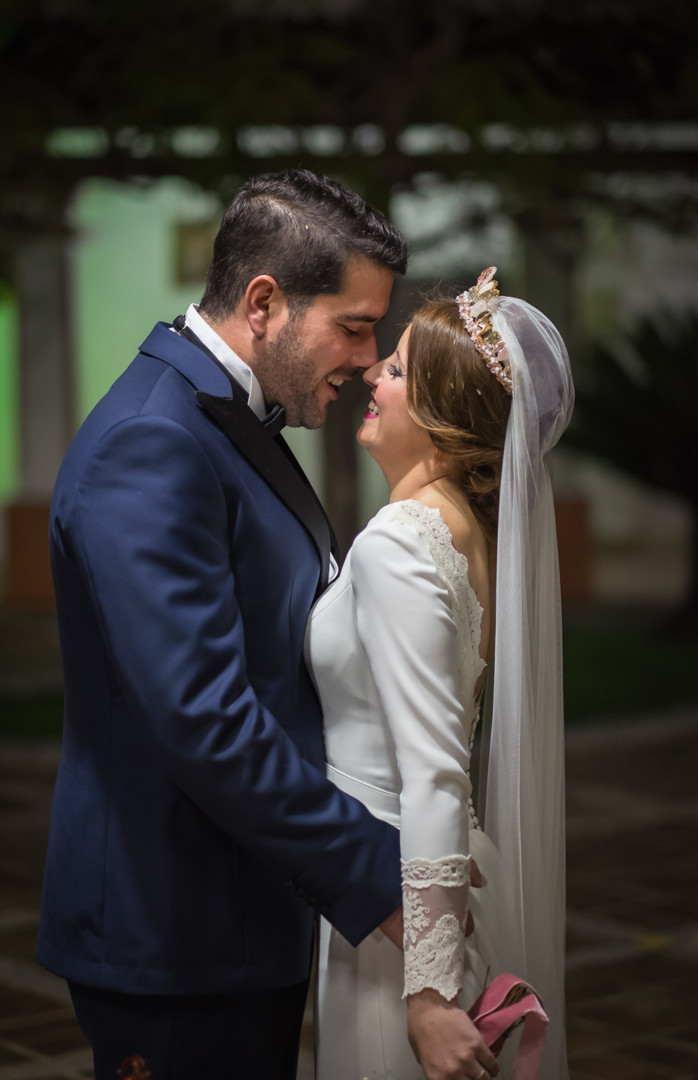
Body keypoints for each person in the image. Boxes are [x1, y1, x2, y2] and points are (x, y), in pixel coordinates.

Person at [35, 168, 410, 1080]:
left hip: (238, 906)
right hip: (172, 928)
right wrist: (375, 869)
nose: (367, 359)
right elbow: (203, 718)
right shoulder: (151, 442)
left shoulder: (226, 415)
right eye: (353, 327)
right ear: (264, 302)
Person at [305, 268, 574, 1080]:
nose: (370, 378)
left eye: (394, 369)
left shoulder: (400, 542)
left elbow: (431, 776)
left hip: (400, 904)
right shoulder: (475, 538)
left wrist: (428, 994)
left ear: (438, 415)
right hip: (431, 876)